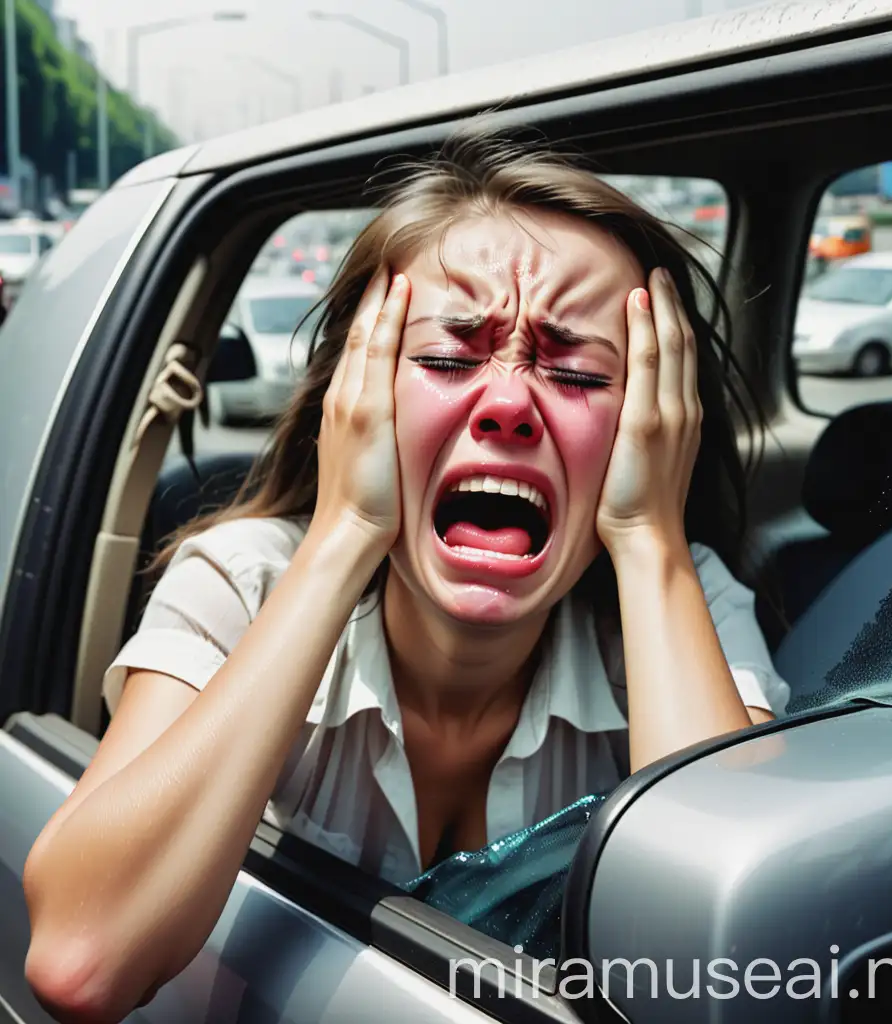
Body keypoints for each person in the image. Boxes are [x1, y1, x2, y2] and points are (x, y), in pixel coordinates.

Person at [22, 128, 789, 1023]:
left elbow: (740, 984)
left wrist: (649, 538)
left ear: (655, 425)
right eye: (447, 360)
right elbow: (83, 959)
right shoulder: (244, 583)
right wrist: (344, 531)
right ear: (357, 399)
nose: (507, 404)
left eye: (577, 370)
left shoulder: (682, 600)